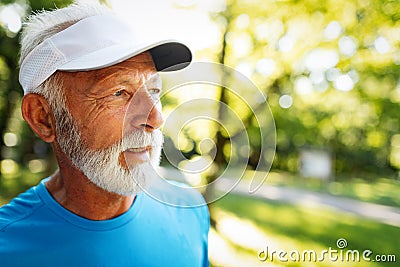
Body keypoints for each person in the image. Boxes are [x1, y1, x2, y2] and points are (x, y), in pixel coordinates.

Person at [0, 3, 209, 266]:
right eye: (118, 92)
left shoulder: (189, 209)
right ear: (44, 118)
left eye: (154, 90)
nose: (155, 118)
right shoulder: (7, 248)